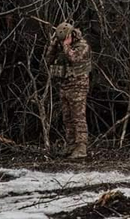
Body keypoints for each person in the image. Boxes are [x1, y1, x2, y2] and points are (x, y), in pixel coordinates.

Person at [46, 22, 92, 159]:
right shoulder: (61, 46)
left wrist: (66, 45)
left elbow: (74, 58)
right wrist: (53, 46)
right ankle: (71, 145)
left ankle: (81, 147)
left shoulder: (83, 46)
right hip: (65, 85)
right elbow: (48, 60)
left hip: (78, 86)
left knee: (78, 117)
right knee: (67, 118)